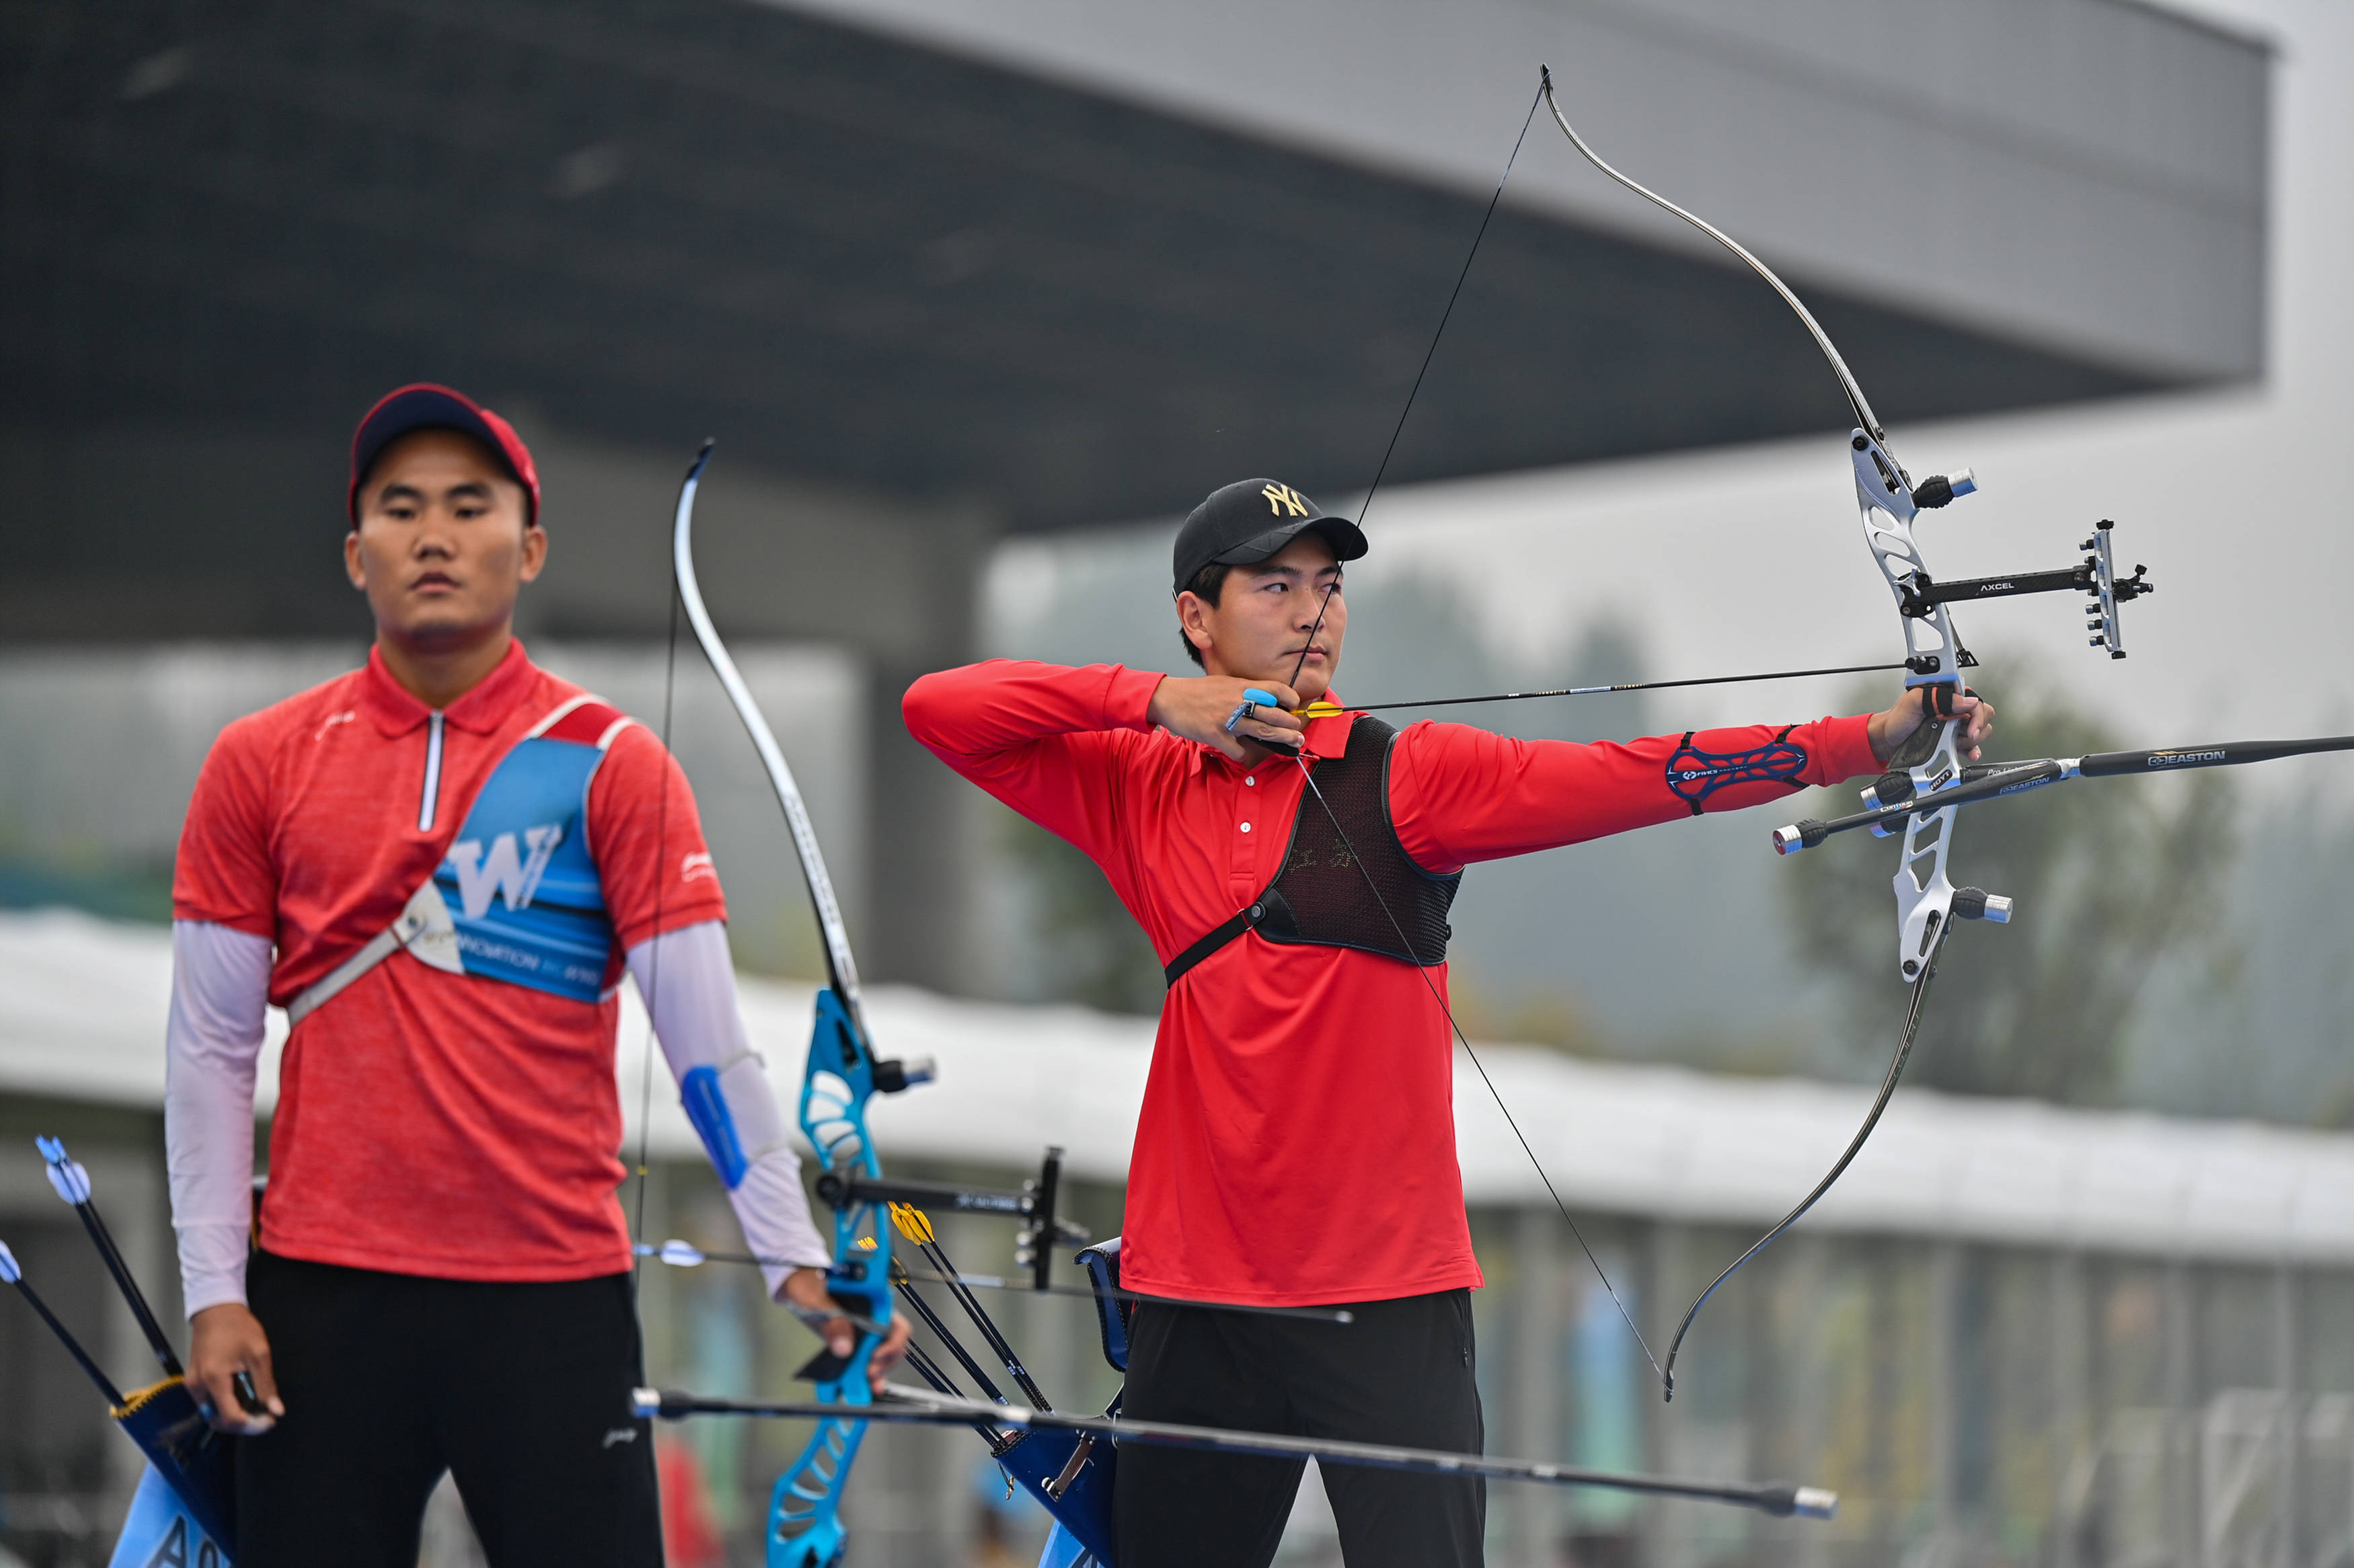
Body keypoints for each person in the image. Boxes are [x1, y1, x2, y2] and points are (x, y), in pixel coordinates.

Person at [902, 476, 1994, 1568]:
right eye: (1275, 585)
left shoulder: (1408, 780)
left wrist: (1867, 742)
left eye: (1328, 587)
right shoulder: (1138, 784)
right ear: (1198, 616)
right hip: (1199, 1296)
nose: (1313, 612)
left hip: (1390, 1299)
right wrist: (1152, 702)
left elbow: (1636, 774)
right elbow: (939, 710)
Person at [165, 384, 907, 1567]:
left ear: (532, 546)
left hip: (553, 1298)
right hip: (323, 1294)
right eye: (400, 510)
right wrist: (215, 1290)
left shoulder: (616, 764)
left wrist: (799, 1263)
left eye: (472, 505)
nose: (436, 535)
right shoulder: (260, 763)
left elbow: (706, 1048)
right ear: (357, 556)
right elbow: (209, 1048)